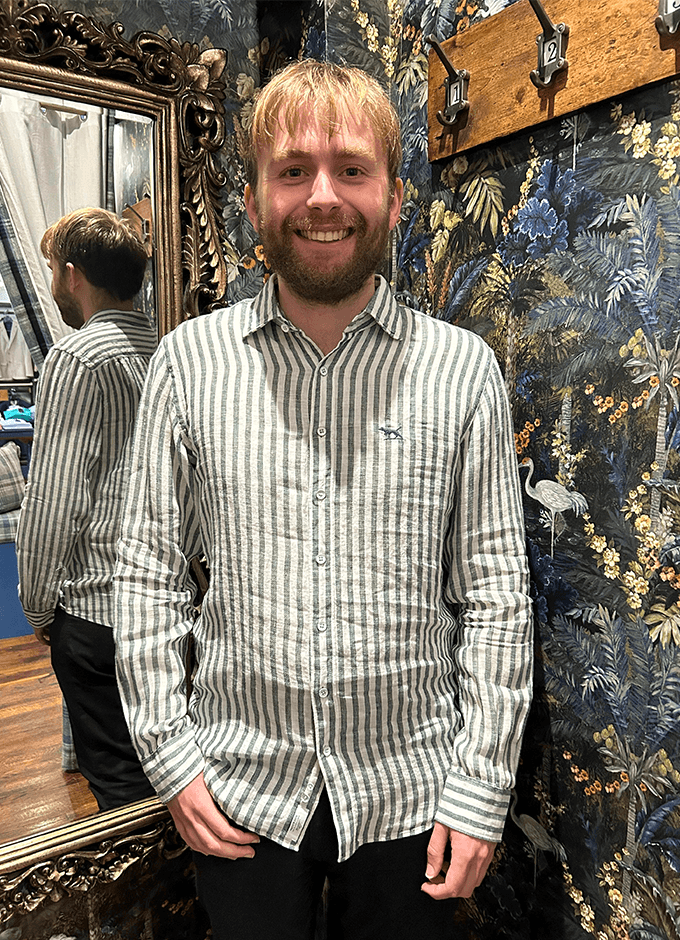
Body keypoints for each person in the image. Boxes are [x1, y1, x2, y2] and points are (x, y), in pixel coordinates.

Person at [113, 60, 533, 939]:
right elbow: (148, 573)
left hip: (414, 791)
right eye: (293, 170)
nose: (323, 197)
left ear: (394, 196)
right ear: (253, 198)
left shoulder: (462, 372)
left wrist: (483, 784)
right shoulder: (188, 365)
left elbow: (495, 592)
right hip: (242, 787)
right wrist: (170, 756)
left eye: (351, 168)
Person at [16, 207, 156, 811]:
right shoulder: (170, 350)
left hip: (99, 608)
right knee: (168, 774)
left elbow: (54, 498)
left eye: (52, 269)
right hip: (169, 604)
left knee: (119, 792)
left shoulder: (77, 358)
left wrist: (37, 603)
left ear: (71, 275)